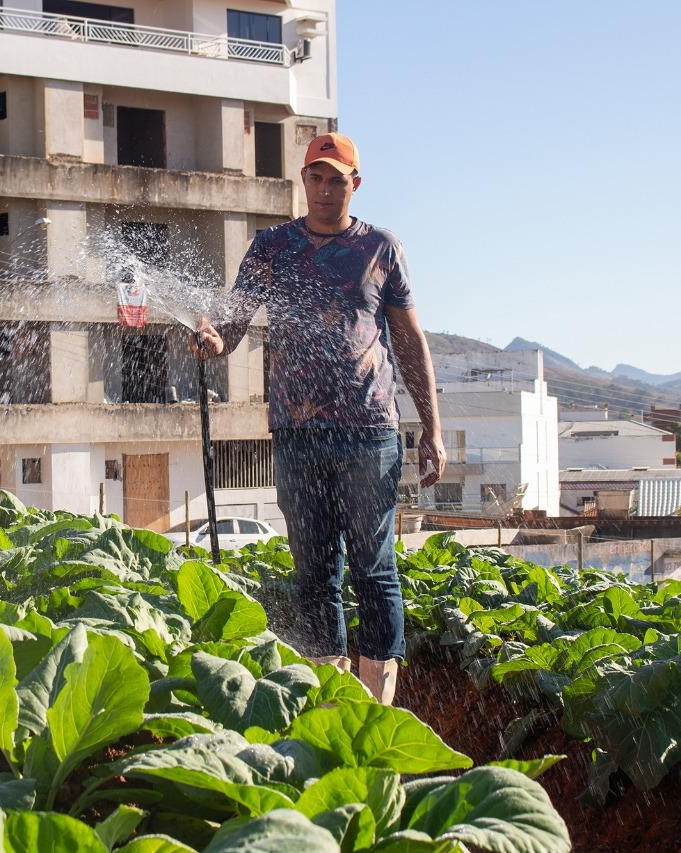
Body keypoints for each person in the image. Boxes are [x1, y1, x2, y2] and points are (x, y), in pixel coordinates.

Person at [189, 132, 444, 704]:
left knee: (374, 571)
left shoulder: (380, 247)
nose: (326, 189)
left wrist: (431, 427)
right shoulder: (271, 246)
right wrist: (211, 339)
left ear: (355, 184)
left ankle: (378, 706)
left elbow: (408, 340)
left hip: (369, 431)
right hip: (298, 432)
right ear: (303, 181)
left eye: (338, 179)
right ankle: (330, 699)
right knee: (313, 573)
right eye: (316, 177)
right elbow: (232, 326)